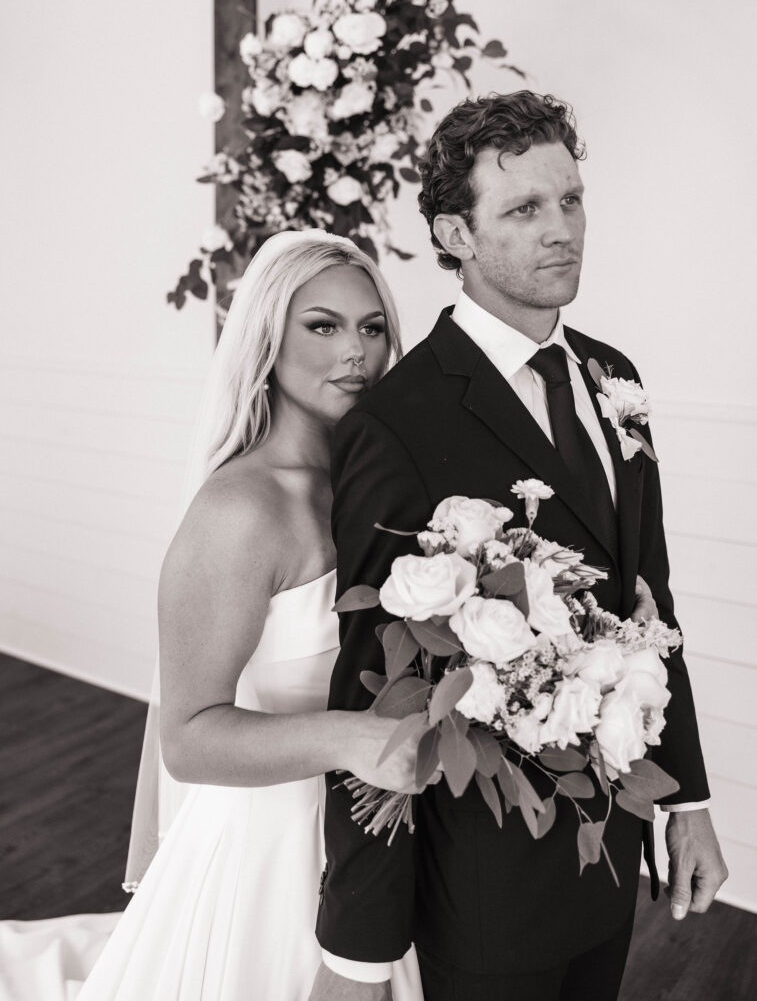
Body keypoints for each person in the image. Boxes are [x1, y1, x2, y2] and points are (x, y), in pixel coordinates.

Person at [311, 93, 728, 1001]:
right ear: (453, 234)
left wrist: (686, 802)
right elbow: (372, 693)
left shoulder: (616, 379)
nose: (562, 230)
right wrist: (360, 953)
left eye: (570, 200)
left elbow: (650, 602)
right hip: (483, 877)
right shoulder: (397, 422)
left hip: (612, 846)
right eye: (524, 209)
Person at [0, 231, 424, 1001]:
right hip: (272, 855)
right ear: (268, 338)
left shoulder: (383, 488)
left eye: (372, 327)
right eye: (322, 326)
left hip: (380, 846)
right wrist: (354, 740)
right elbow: (189, 740)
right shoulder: (240, 510)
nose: (355, 350)